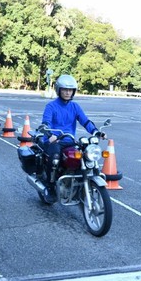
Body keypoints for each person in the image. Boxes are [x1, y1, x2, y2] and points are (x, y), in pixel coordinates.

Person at [39, 74, 106, 202]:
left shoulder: (75, 106)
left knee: (83, 157)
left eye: (70, 90)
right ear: (59, 90)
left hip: (69, 141)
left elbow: (85, 121)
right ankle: (50, 186)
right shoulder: (51, 106)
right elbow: (45, 123)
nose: (67, 92)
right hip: (54, 141)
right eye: (65, 90)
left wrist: (96, 132)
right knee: (55, 159)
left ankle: (78, 182)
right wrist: (49, 134)